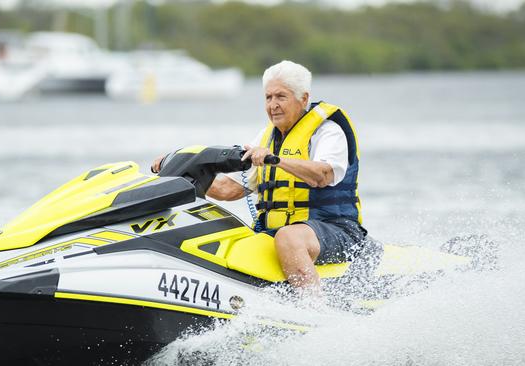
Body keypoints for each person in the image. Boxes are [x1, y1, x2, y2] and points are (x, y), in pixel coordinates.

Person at [152, 60, 366, 293]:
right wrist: (181, 170)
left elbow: (322, 175)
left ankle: (313, 311)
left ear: (303, 99)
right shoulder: (265, 138)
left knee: (288, 238)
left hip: (336, 229)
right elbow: (227, 190)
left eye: (281, 97)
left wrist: (276, 159)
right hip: (273, 231)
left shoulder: (327, 131)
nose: (273, 105)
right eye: (268, 98)